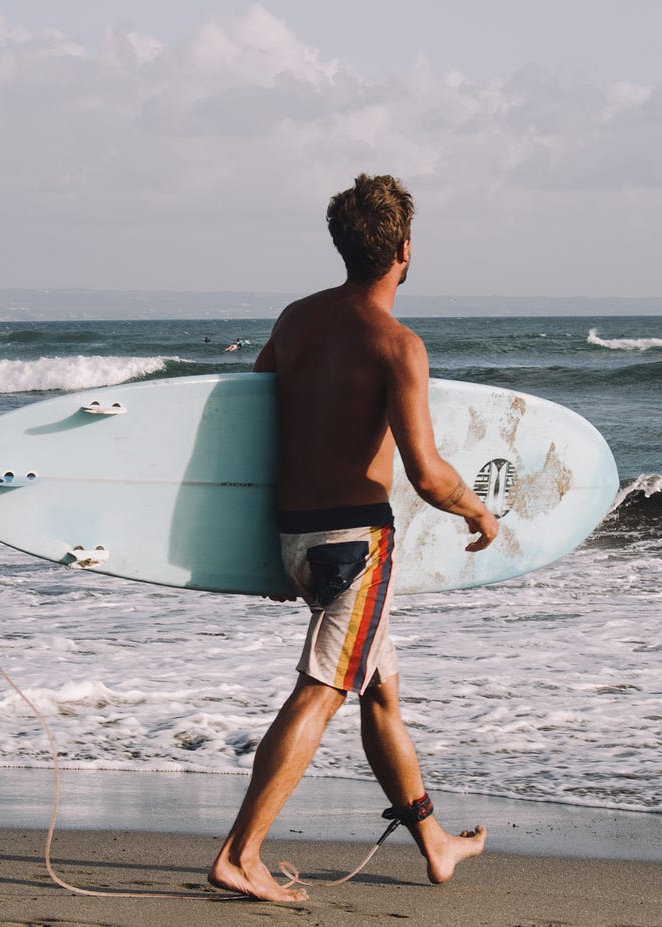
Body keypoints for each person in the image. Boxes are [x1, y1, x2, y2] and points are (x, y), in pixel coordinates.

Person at [208, 174, 499, 903]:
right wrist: (479, 511)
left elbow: (252, 416)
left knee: (379, 695)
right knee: (323, 690)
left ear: (341, 246)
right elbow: (429, 474)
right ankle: (241, 853)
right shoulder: (397, 344)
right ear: (405, 251)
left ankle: (432, 840)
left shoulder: (295, 321)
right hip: (357, 545)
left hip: (297, 538)